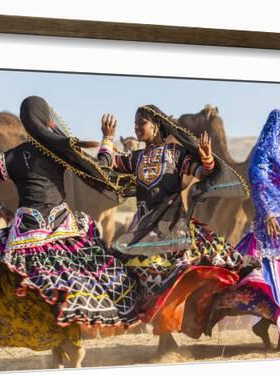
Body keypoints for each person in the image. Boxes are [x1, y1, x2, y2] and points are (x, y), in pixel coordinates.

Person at [0, 96, 140, 367]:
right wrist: (107, 139)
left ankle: (57, 352)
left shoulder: (11, 157)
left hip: (23, 237)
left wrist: (1, 208)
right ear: (48, 120)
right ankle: (71, 353)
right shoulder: (61, 152)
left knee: (35, 291)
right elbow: (100, 172)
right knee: (69, 289)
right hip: (62, 231)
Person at [96, 105, 250, 352]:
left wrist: (208, 156)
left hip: (174, 229)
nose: (136, 127)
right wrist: (107, 138)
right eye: (135, 123)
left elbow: (203, 173)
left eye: (141, 122)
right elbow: (104, 164)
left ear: (156, 125)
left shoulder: (176, 154)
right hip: (144, 233)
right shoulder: (134, 159)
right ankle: (164, 339)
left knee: (172, 279)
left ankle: (168, 337)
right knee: (144, 282)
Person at [206, 109, 280, 350]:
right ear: (279, 131)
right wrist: (270, 213)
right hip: (273, 234)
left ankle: (273, 329)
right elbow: (258, 181)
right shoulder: (264, 157)